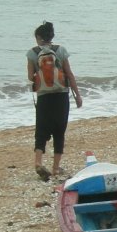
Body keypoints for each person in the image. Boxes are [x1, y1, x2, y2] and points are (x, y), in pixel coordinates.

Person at [26, 21, 82, 180]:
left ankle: (38, 162)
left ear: (38, 37)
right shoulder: (60, 50)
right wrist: (77, 95)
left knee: (41, 130)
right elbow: (69, 74)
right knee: (59, 130)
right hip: (61, 95)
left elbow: (30, 77)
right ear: (51, 37)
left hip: (44, 96)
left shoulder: (32, 53)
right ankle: (56, 168)